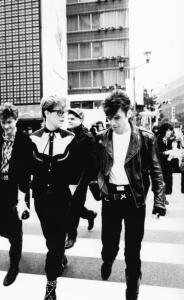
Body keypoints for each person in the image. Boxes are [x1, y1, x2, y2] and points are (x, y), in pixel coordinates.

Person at [95, 91, 166, 300]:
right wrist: (97, 188)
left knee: (133, 251)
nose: (112, 123)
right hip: (110, 200)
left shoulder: (145, 138)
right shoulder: (101, 139)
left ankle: (132, 290)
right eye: (109, 118)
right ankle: (107, 260)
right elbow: (94, 168)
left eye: (116, 117)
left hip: (134, 200)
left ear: (129, 113)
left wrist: (159, 202)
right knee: (109, 245)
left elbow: (156, 170)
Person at [29, 95, 78, 300]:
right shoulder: (32, 138)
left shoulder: (70, 137)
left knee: (56, 241)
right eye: (59, 112)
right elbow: (26, 171)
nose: (63, 116)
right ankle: (58, 255)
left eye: (64, 112)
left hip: (61, 197)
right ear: (47, 113)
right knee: (51, 239)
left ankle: (51, 286)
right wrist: (22, 200)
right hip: (40, 197)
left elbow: (76, 171)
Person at [0, 103, 31, 286]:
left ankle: (14, 266)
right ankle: (15, 238)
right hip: (1, 188)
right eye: (3, 122)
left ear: (16, 120)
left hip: (17, 188)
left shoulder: (25, 141)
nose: (6, 126)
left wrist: (23, 196)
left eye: (9, 122)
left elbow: (27, 171)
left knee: (14, 228)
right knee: (0, 226)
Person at [64, 108, 97, 250]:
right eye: (69, 118)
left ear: (81, 120)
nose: (69, 120)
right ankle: (90, 214)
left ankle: (71, 236)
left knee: (74, 207)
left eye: (73, 118)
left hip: (81, 179)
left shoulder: (87, 137)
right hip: (66, 177)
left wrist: (89, 180)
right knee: (69, 206)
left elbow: (93, 160)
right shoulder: (64, 134)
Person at [156, 123, 174, 199]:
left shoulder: (169, 141)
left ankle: (164, 197)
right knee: (160, 183)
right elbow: (155, 153)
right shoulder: (157, 139)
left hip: (168, 166)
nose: (170, 132)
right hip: (160, 166)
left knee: (167, 182)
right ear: (164, 131)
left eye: (171, 131)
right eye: (168, 131)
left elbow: (170, 151)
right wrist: (165, 153)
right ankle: (161, 199)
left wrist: (172, 155)